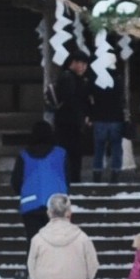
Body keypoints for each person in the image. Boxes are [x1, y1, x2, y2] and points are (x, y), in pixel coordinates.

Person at [11, 120, 68, 242]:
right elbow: (68, 177)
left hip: (30, 205)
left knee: (34, 242)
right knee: (55, 243)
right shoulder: (60, 153)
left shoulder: (24, 155)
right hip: (56, 204)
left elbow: (15, 181)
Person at [49, 54, 94, 183]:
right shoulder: (69, 78)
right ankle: (71, 179)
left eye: (85, 65)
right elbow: (72, 100)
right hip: (68, 123)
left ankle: (71, 178)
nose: (83, 67)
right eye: (82, 64)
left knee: (71, 154)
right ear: (74, 62)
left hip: (68, 122)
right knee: (71, 154)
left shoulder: (71, 77)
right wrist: (83, 116)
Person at [89, 72, 128, 183]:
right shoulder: (118, 81)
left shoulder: (96, 81)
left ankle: (97, 173)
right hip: (116, 118)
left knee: (99, 149)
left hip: (100, 117)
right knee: (116, 147)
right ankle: (115, 173)